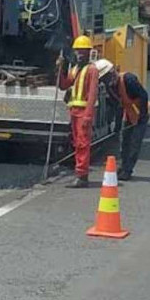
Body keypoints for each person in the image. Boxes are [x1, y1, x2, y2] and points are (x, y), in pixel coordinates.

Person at [95, 59, 150, 181]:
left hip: (141, 112)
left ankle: (128, 170)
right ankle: (124, 166)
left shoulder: (128, 79)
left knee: (134, 143)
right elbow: (117, 105)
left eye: (107, 77)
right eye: (103, 79)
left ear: (112, 72)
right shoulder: (111, 88)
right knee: (125, 141)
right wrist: (117, 126)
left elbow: (144, 95)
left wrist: (142, 116)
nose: (106, 80)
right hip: (129, 113)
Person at [58, 36, 99, 188]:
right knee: (77, 143)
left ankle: (82, 176)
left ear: (89, 53)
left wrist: (88, 115)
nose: (79, 54)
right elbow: (63, 85)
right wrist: (61, 69)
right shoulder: (75, 69)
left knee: (83, 143)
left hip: (83, 113)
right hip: (74, 111)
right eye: (77, 51)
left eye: (83, 51)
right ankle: (80, 173)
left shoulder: (92, 70)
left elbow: (93, 94)